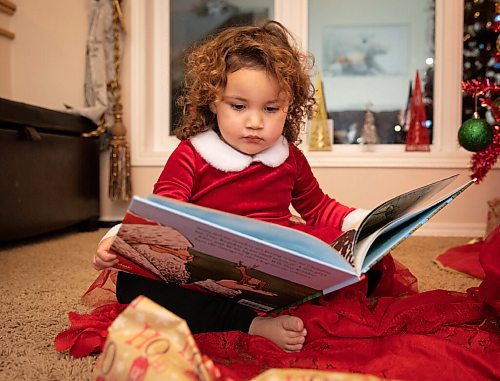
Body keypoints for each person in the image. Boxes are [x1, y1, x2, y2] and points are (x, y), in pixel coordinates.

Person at [93, 20, 369, 352]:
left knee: (362, 268)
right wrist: (119, 240)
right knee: (132, 286)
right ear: (213, 102)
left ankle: (266, 308)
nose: (255, 122)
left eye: (271, 109)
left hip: (273, 269)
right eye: (239, 107)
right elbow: (164, 213)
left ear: (289, 108)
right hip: (207, 275)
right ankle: (250, 324)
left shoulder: (290, 157)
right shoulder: (192, 154)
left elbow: (319, 207)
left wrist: (364, 224)